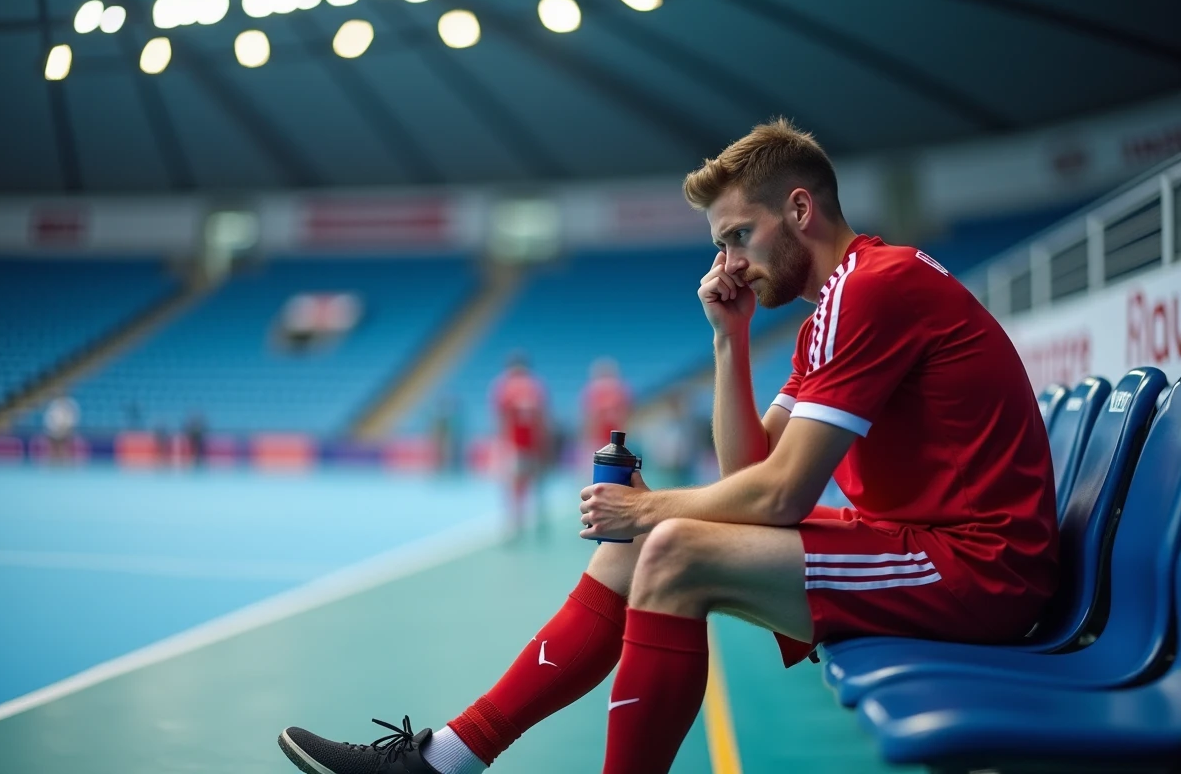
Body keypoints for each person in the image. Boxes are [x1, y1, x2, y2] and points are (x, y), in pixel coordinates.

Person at [277, 118, 1058, 774]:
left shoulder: (873, 288)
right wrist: (729, 342)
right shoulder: (832, 308)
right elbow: (750, 476)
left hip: (982, 571)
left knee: (673, 546)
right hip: (926, 547)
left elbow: (778, 498)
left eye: (739, 237)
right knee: (645, 543)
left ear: (799, 209)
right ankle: (446, 758)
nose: (731, 265)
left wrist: (649, 506)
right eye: (721, 246)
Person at [489, 353, 550, 538]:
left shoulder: (504, 387)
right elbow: (544, 418)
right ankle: (539, 522)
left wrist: (502, 443)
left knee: (514, 485)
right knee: (536, 484)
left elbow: (500, 419)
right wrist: (545, 444)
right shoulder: (536, 386)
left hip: (515, 444)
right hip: (534, 443)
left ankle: (516, 525)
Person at [580, 357, 632, 461]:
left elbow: (626, 415)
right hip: (602, 439)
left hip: (613, 439)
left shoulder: (619, 390)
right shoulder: (593, 390)